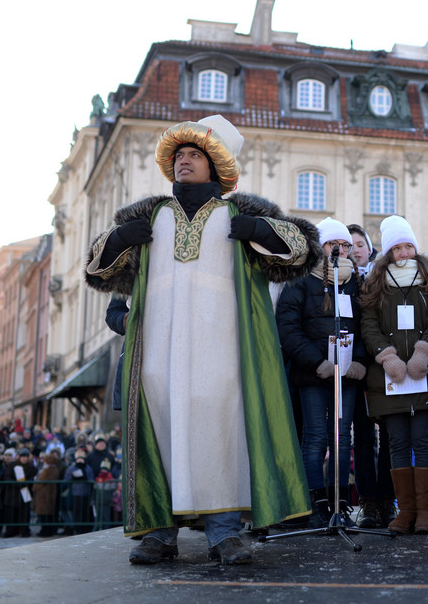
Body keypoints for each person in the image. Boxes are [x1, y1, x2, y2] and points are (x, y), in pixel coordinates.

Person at [84, 114, 319, 565]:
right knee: (163, 430)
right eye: (178, 157)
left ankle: (224, 532)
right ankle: (160, 533)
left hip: (223, 347)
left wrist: (260, 230)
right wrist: (118, 239)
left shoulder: (239, 214)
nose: (184, 163)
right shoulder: (149, 216)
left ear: (214, 165)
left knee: (219, 432)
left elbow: (300, 249)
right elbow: (98, 270)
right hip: (159, 350)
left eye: (194, 155)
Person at [360, 215, 428, 535]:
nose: (404, 253)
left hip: (426, 374)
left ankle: (426, 512)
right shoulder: (375, 285)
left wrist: (423, 351)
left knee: (423, 440)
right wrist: (386, 357)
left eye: (408, 246)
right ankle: (406, 512)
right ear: (388, 252)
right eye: (397, 248)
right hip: (390, 379)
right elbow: (369, 326)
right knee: (397, 442)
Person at [276, 217, 368, 527]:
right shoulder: (300, 280)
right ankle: (314, 507)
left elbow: (368, 327)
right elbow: (288, 328)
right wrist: (317, 362)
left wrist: (359, 361)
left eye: (345, 245)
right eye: (334, 244)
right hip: (313, 374)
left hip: (348, 376)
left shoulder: (357, 283)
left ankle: (339, 508)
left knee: (342, 441)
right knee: (315, 439)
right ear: (320, 247)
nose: (340, 249)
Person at [347, 223, 397, 528]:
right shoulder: (340, 281)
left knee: (391, 438)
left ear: (370, 249)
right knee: (363, 439)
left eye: (360, 245)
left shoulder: (384, 279)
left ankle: (387, 501)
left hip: (384, 367)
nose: (355, 250)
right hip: (357, 369)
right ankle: (367, 503)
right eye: (349, 245)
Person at [2, 447, 37, 538]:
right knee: (11, 514)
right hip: (12, 494)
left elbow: (32, 478)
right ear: (19, 457)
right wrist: (16, 484)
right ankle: (10, 531)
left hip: (25, 494)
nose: (24, 458)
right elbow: (7, 477)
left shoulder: (31, 467)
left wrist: (25, 483)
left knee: (24, 514)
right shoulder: (12, 465)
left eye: (26, 456)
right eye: (22, 456)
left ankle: (24, 531)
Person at [64, 449, 95, 534]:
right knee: (76, 512)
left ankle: (85, 528)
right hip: (75, 494)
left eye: (81, 459)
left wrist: (85, 478)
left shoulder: (88, 468)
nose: (80, 461)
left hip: (86, 494)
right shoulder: (71, 469)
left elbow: (91, 478)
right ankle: (77, 528)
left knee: (85, 512)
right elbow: (66, 479)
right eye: (78, 459)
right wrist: (73, 478)